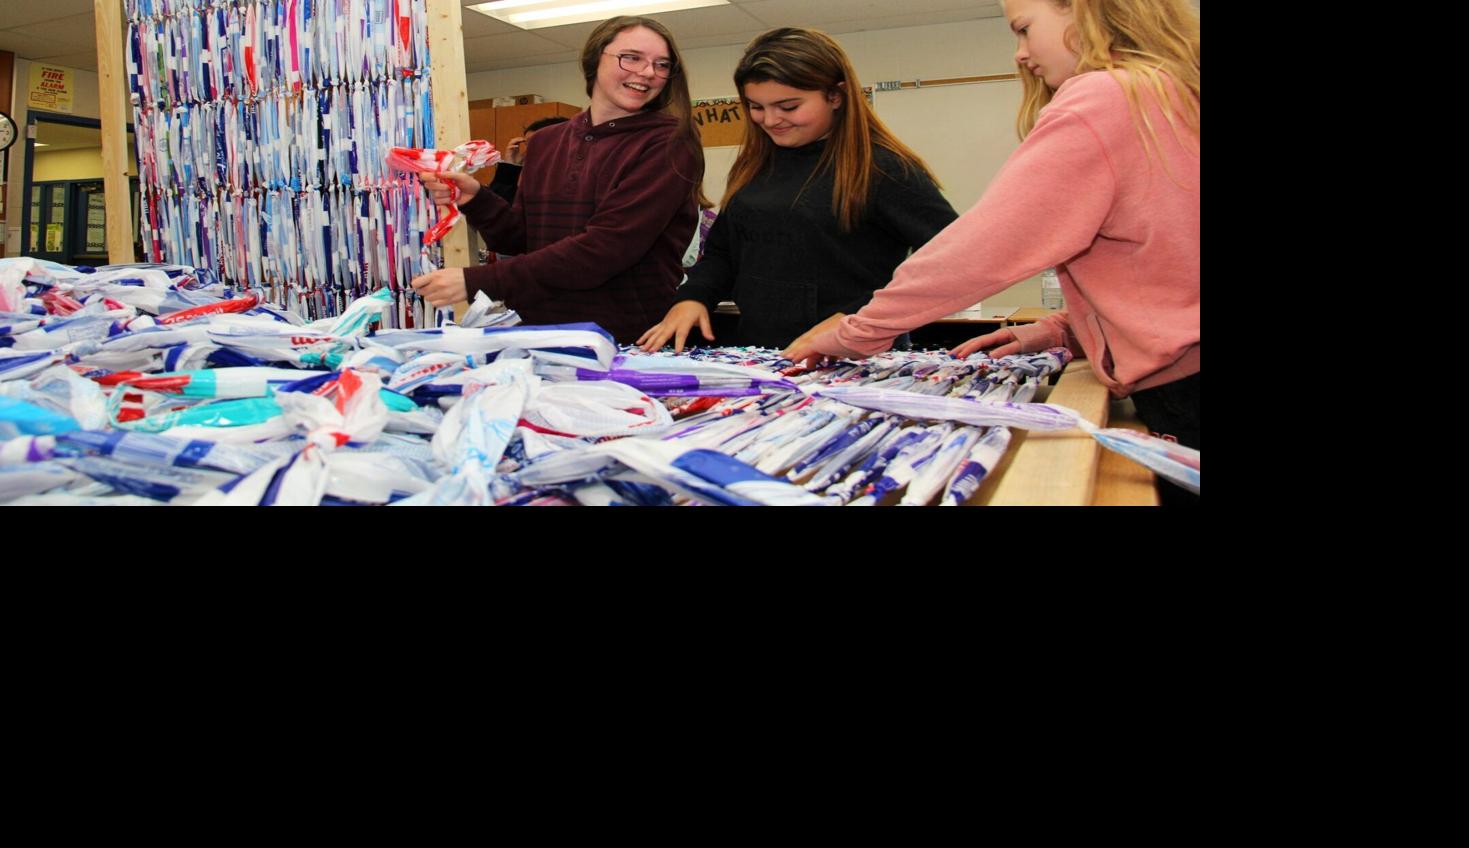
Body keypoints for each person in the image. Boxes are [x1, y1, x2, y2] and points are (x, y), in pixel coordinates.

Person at [782, 0, 1200, 505]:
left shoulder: (1105, 95)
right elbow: (1166, 259)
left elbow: (981, 248)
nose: (1021, 54)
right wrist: (1064, 329)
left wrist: (859, 331)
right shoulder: (1171, 91)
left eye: (1024, 30)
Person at [636, 27, 959, 352]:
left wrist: (860, 318)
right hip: (764, 354)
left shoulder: (883, 168)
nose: (770, 120)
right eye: (756, 106)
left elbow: (952, 259)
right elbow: (724, 252)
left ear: (836, 96)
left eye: (788, 107)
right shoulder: (757, 164)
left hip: (853, 358)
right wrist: (693, 298)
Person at [410, 16, 708, 343]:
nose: (648, 72)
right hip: (541, 334)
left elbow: (605, 249)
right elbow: (522, 240)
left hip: (627, 341)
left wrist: (477, 280)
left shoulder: (669, 143)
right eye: (632, 57)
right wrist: (478, 199)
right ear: (594, 59)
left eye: (662, 64)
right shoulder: (546, 141)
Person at [486, 116, 570, 203]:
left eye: (536, 143)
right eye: (527, 144)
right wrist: (510, 165)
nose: (528, 152)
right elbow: (501, 210)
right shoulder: (535, 183)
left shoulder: (574, 183)